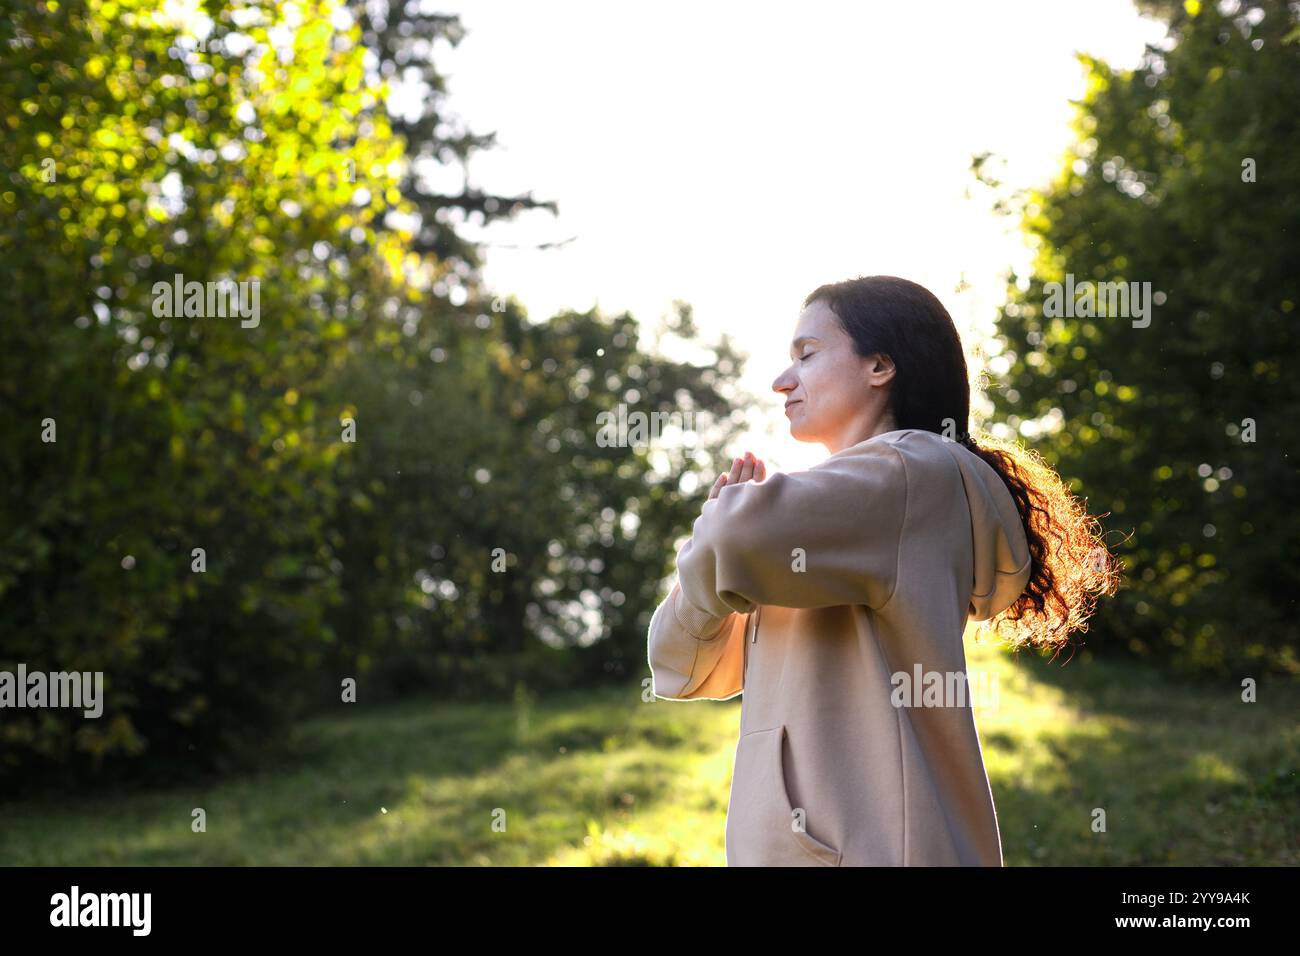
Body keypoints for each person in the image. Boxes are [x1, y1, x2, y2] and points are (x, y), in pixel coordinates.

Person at [646, 275, 1118, 866]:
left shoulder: (911, 470)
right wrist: (722, 542)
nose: (781, 381)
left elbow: (734, 538)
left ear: (880, 365)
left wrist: (725, 522)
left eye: (807, 355)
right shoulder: (831, 523)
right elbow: (681, 669)